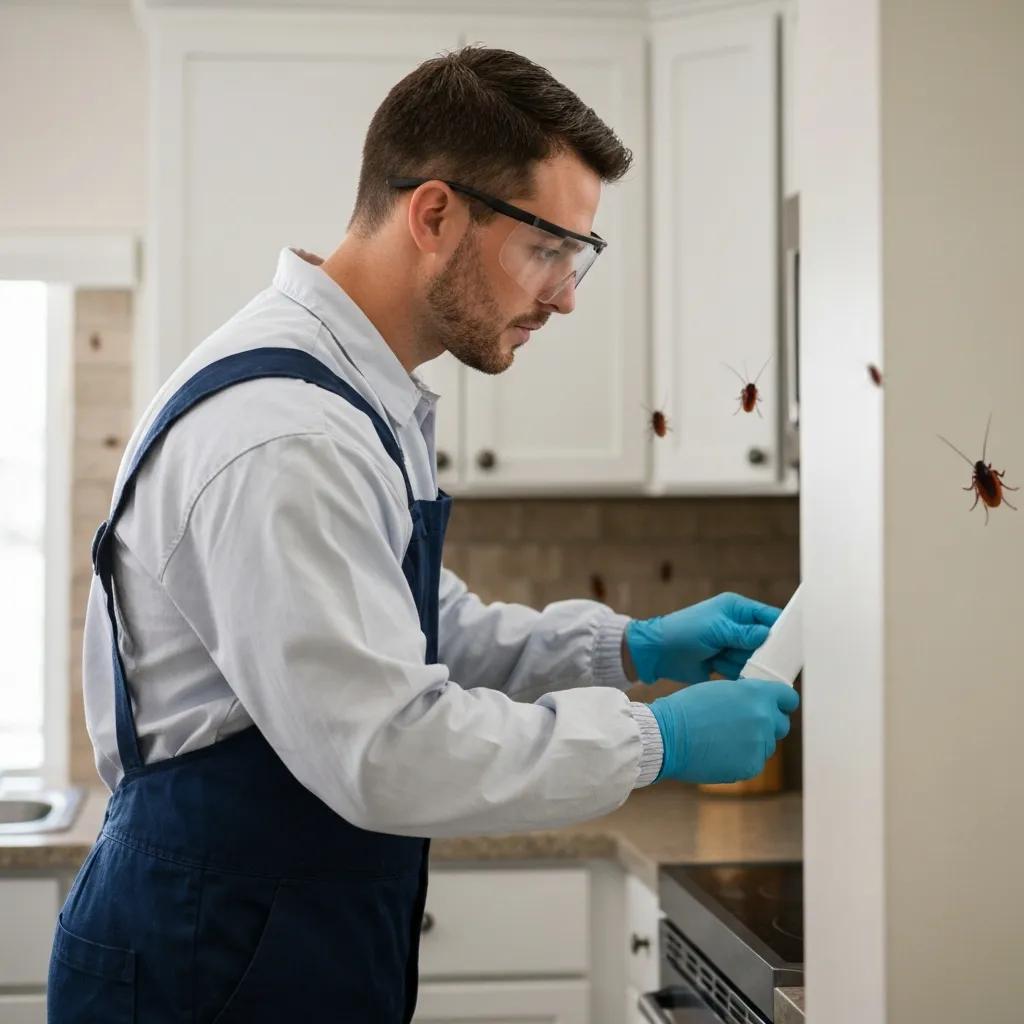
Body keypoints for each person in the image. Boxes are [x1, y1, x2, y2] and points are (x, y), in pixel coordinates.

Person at [48, 46, 799, 1023]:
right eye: (547, 249)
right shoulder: (287, 437)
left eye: (579, 257)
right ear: (434, 213)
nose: (566, 296)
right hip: (208, 956)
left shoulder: (357, 398)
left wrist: (630, 646)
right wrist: (652, 740)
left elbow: (429, 636)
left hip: (274, 932)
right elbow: (386, 750)